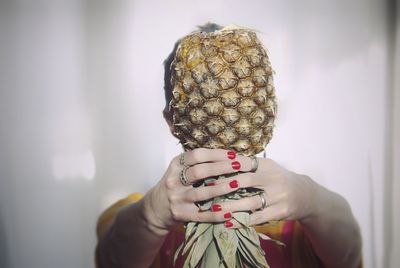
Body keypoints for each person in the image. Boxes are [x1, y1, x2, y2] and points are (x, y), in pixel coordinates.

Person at [95, 24, 362, 268]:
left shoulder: (295, 223)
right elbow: (112, 257)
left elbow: (348, 254)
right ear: (173, 121)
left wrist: (309, 198)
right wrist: (150, 216)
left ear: (266, 107)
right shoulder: (142, 214)